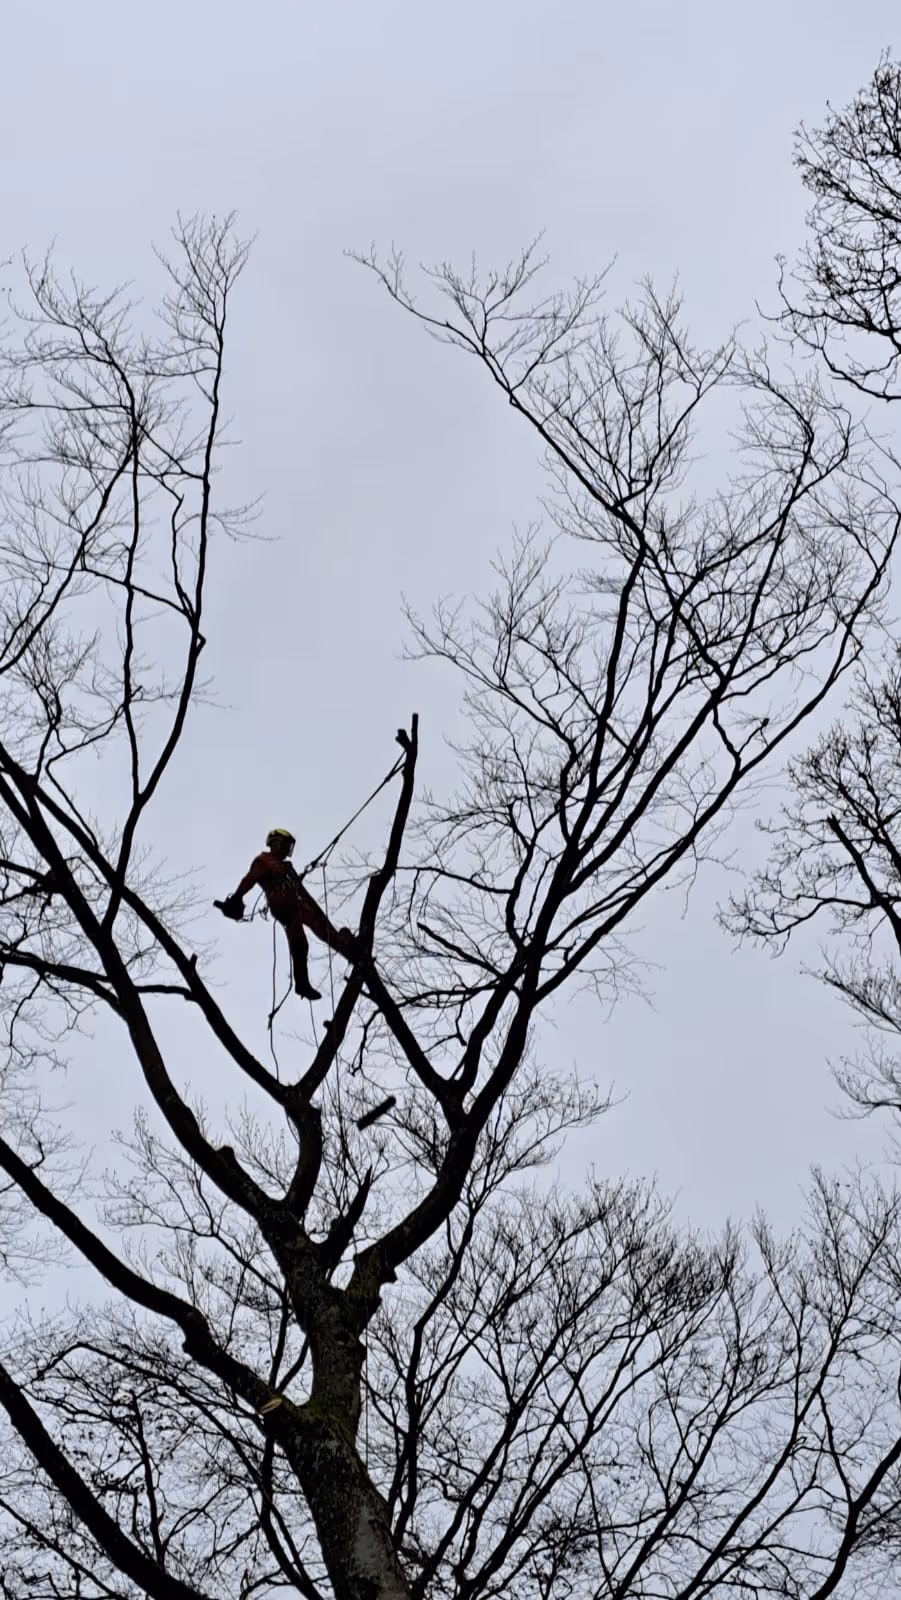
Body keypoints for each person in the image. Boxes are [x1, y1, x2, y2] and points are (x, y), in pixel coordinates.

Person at [216, 828, 356, 1000]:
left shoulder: (287, 867)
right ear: (276, 844)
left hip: (296, 901)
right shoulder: (263, 861)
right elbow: (249, 879)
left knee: (320, 927)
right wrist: (237, 897)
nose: (288, 850)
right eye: (286, 845)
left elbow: (302, 891)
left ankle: (347, 949)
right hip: (282, 904)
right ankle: (302, 984)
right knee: (300, 943)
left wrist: (317, 912)